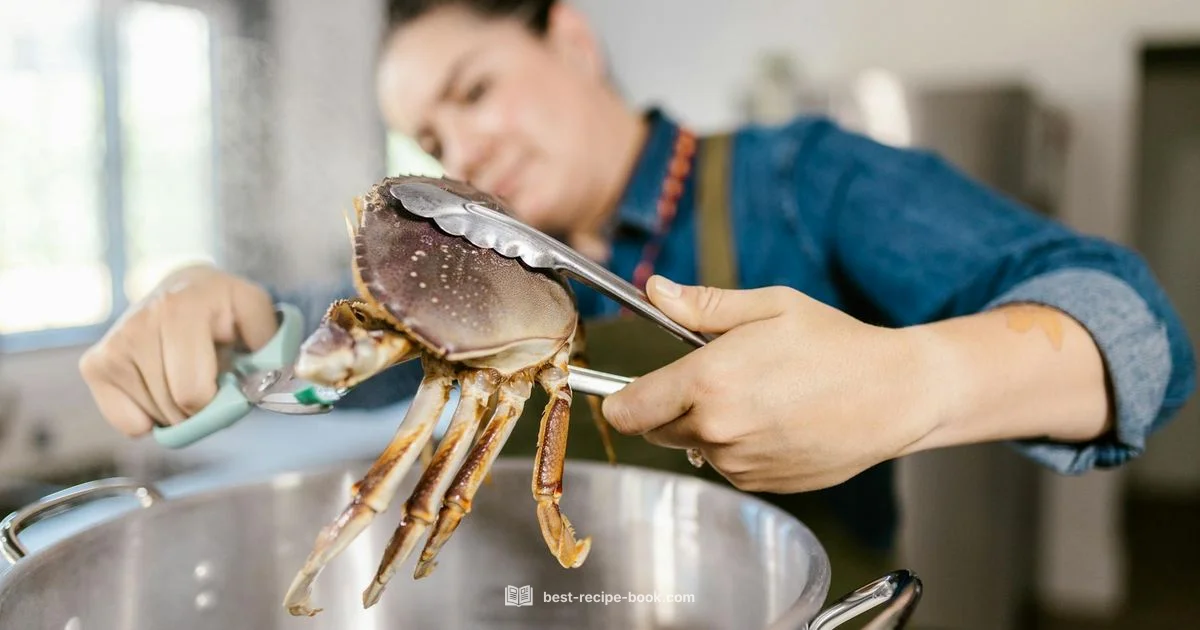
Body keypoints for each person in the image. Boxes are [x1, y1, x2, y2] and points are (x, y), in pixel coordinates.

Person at [79, 0, 1195, 567]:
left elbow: (1141, 329)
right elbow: (329, 360)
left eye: (475, 88)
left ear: (570, 37)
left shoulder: (801, 181)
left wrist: (922, 376)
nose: (460, 143)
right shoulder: (464, 264)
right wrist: (217, 313)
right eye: (428, 130)